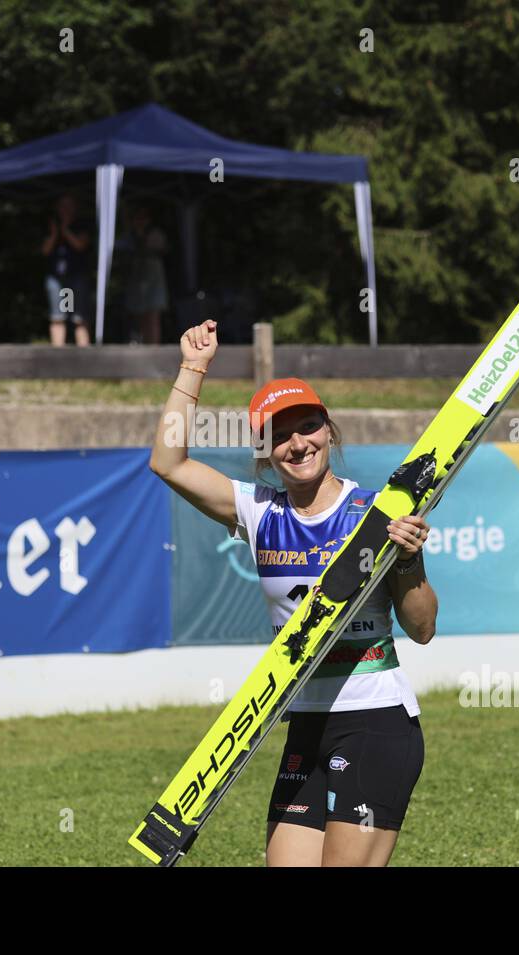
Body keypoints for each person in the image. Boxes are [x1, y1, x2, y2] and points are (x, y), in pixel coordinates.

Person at [149, 319, 438, 867]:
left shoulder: (375, 513)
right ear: (263, 448)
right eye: (280, 434)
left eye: (308, 426)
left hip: (375, 720)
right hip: (304, 720)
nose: (297, 443)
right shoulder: (259, 510)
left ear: (328, 430)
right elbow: (168, 463)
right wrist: (192, 368)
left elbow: (423, 628)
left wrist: (409, 558)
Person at [41, 193, 93, 346]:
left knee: (79, 317)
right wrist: (55, 233)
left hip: (76, 277)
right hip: (57, 278)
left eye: (69, 205)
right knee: (58, 316)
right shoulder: (51, 226)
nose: (66, 209)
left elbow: (80, 245)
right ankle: (58, 355)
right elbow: (45, 251)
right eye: (62, 206)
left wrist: (65, 230)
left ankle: (84, 355)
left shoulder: (81, 225)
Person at [119, 205, 169, 344]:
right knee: (138, 314)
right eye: (137, 218)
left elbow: (161, 250)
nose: (140, 221)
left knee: (153, 315)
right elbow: (122, 253)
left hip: (154, 278)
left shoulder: (155, 234)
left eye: (143, 218)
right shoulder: (128, 235)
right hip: (136, 278)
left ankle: (154, 345)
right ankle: (141, 344)